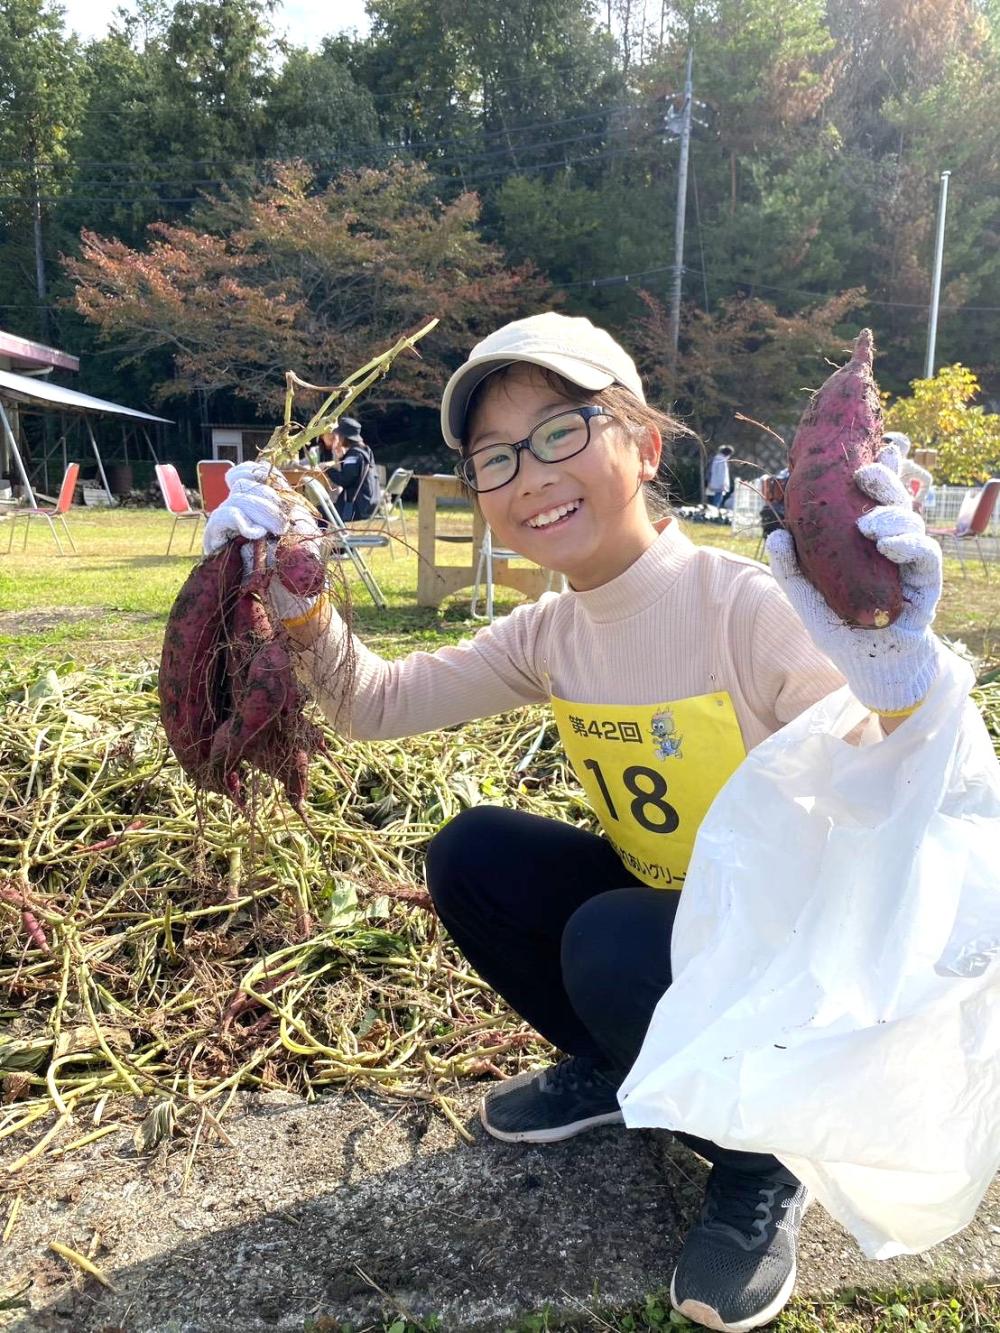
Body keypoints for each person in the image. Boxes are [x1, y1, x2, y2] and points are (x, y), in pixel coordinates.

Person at [204, 313, 945, 1333]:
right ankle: (617, 1063)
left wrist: (897, 665)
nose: (531, 476)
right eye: (495, 457)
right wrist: (291, 590)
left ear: (644, 445)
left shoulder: (747, 607)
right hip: (675, 922)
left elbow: (900, 792)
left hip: (796, 963)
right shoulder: (553, 629)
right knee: (473, 855)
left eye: (560, 431)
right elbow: (376, 703)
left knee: (612, 936)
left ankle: (761, 1160)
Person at [317, 416, 380, 522]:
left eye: (338, 435)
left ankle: (320, 534)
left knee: (318, 512)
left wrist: (327, 469)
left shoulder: (354, 455)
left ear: (343, 436)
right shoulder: (365, 451)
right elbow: (352, 476)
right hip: (370, 504)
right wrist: (342, 458)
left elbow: (344, 480)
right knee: (324, 509)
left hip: (357, 507)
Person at [883, 431, 933, 513]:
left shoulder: (905, 464)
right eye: (884, 442)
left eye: (888, 442)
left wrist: (917, 501)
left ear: (899, 447)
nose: (883, 445)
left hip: (900, 507)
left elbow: (927, 479)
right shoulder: (877, 459)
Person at [706, 445, 733, 509]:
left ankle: (714, 508)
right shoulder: (722, 460)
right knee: (718, 497)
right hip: (720, 483)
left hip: (715, 481)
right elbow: (721, 473)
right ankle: (715, 509)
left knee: (715, 496)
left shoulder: (716, 459)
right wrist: (723, 484)